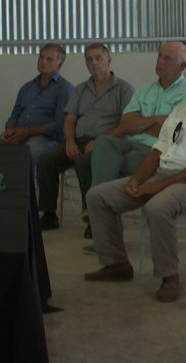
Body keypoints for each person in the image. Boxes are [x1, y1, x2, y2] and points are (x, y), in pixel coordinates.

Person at [84, 57, 186, 303]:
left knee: (157, 207)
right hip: (164, 176)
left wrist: (156, 186)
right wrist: (137, 179)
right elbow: (157, 151)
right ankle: (117, 264)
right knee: (98, 196)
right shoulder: (180, 110)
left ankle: (170, 278)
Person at [36, 44, 133, 233]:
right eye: (89, 59)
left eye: (98, 58)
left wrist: (100, 142)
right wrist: (70, 141)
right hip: (79, 141)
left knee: (84, 163)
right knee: (46, 161)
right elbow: (70, 120)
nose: (93, 62)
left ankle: (94, 219)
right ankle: (49, 215)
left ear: (109, 60)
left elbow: (126, 124)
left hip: (110, 143)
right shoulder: (81, 89)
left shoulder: (123, 89)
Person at [87, 41, 186, 191]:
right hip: (131, 144)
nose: (160, 61)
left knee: (104, 164)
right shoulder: (145, 90)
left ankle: (99, 200)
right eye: (160, 56)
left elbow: (170, 131)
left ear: (182, 66)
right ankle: (101, 199)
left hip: (155, 151)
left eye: (167, 58)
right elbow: (126, 123)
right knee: (103, 142)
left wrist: (139, 124)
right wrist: (156, 120)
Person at [0, 43, 74, 164]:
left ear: (59, 65)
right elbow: (14, 116)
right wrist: (10, 130)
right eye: (41, 57)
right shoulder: (27, 88)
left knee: (24, 153)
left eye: (49, 59)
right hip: (18, 134)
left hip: (45, 139)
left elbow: (60, 126)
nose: (43, 62)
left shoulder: (65, 89)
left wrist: (27, 132)